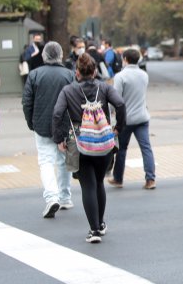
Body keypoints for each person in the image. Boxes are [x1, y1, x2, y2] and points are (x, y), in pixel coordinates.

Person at [52, 53, 126, 243]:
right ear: (94, 72)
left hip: (79, 142)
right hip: (104, 142)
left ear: (77, 73)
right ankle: (100, 225)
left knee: (88, 186)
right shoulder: (105, 87)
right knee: (99, 182)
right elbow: (120, 104)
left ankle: (93, 231)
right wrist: (118, 128)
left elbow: (57, 114)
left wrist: (59, 138)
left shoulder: (68, 91)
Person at [22, 42, 75, 218]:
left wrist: (31, 122)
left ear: (44, 56)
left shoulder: (34, 74)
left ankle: (51, 197)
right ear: (60, 55)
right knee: (63, 160)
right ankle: (65, 197)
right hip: (65, 125)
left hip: (42, 124)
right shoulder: (69, 74)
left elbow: (27, 101)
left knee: (45, 161)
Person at [108, 48, 156, 190]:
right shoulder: (144, 75)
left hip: (126, 120)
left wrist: (110, 114)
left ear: (125, 59)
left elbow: (116, 100)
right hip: (142, 117)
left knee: (121, 149)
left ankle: (118, 179)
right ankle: (150, 179)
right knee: (146, 148)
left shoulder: (120, 77)